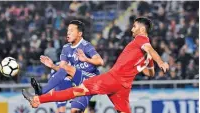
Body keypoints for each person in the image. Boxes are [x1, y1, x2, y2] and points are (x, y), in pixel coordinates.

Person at [23, 17, 169, 113]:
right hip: (124, 87)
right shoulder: (146, 54)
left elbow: (149, 48)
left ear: (142, 29)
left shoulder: (141, 39)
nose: (132, 29)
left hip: (112, 79)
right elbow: (150, 74)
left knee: (77, 91)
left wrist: (161, 62)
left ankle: (38, 98)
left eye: (134, 26)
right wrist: (147, 63)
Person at [29, 20, 104, 113]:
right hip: (80, 85)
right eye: (68, 30)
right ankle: (41, 93)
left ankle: (42, 91)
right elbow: (62, 70)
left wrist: (86, 59)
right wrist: (52, 66)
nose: (68, 33)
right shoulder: (66, 48)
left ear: (79, 33)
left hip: (91, 80)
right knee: (74, 111)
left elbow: (100, 61)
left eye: (72, 30)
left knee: (66, 69)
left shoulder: (86, 46)